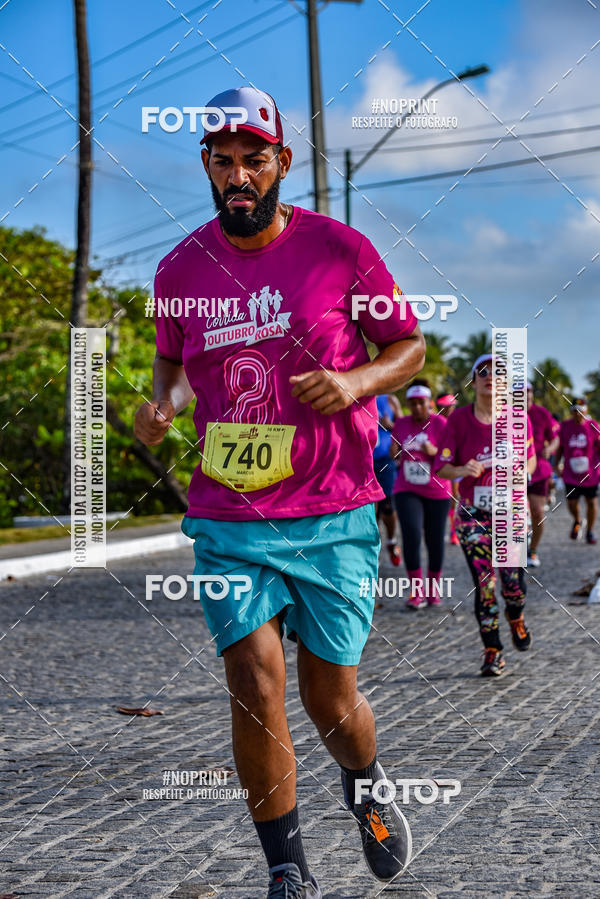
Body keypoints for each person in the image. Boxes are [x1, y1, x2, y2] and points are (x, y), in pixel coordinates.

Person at [134, 86, 425, 897]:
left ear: (281, 164)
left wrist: (356, 377)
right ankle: (287, 868)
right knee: (256, 687)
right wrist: (162, 407)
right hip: (230, 510)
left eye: (253, 159)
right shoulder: (179, 268)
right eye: (222, 160)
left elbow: (408, 344)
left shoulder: (339, 249)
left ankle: (366, 782)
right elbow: (175, 366)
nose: (238, 174)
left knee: (330, 699)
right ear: (206, 166)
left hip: (333, 509)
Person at [436, 354, 537, 677]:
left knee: (512, 584)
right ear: (474, 379)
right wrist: (462, 468)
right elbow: (442, 466)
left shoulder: (519, 419)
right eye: (483, 371)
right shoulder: (458, 421)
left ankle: (516, 614)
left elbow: (531, 460)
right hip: (473, 515)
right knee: (486, 584)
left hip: (511, 512)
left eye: (498, 373)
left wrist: (522, 473)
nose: (490, 377)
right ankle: (492, 650)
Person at [390, 382, 451, 609]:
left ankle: (433, 589)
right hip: (407, 488)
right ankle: (416, 592)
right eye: (412, 404)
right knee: (412, 534)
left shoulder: (441, 424)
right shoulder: (402, 423)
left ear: (429, 404)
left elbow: (449, 455)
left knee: (434, 540)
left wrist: (432, 451)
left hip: (437, 489)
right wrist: (394, 451)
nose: (416, 408)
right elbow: (394, 450)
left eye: (421, 403)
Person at [555, 398, 600, 545]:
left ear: (586, 411)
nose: (578, 413)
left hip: (590, 474)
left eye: (581, 410)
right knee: (571, 502)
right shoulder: (565, 426)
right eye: (575, 411)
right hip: (570, 474)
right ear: (571, 412)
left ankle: (590, 531)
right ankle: (578, 520)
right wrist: (556, 465)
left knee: (592, 503)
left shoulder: (593, 426)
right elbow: (560, 448)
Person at [526, 383, 560, 566]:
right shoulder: (505, 413)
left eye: (528, 391)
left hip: (538, 470)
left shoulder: (542, 414)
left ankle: (532, 551)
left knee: (537, 512)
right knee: (510, 514)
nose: (525, 395)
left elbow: (555, 438)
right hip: (512, 471)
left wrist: (551, 448)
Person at [374, 394, 402, 566]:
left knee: (387, 506)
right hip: (364, 461)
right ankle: (372, 553)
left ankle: (391, 541)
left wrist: (390, 425)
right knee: (370, 510)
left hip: (386, 460)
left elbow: (404, 429)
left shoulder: (390, 399)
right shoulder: (355, 394)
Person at [436, 393, 460, 545]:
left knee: (455, 497)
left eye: (452, 405)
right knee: (441, 499)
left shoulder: (458, 421)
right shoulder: (435, 422)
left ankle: (453, 533)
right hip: (439, 467)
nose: (450, 408)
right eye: (446, 406)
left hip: (456, 465)